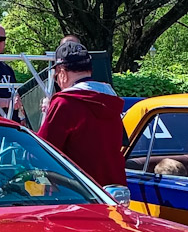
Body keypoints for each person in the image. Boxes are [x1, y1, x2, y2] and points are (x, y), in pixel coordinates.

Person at [37, 41, 127, 187]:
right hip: (115, 191)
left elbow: (43, 149)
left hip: (80, 192)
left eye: (56, 76)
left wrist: (49, 113)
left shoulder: (64, 103)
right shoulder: (111, 99)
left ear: (62, 72)